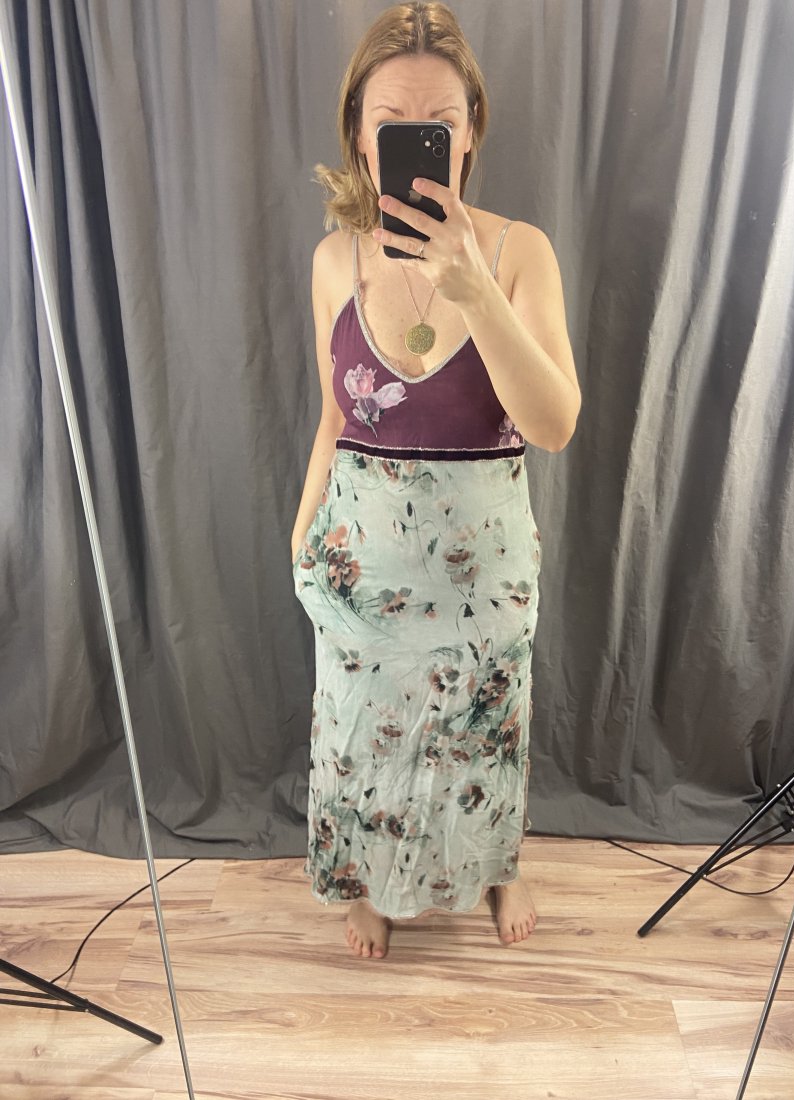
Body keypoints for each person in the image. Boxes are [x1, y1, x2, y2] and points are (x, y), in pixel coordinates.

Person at [292, 2, 579, 961]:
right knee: (361, 741)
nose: (417, 140)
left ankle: (495, 866)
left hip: (481, 577)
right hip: (360, 567)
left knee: (484, 734)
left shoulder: (517, 251)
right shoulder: (332, 261)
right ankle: (369, 882)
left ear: (467, 133)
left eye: (439, 123)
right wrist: (300, 539)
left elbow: (554, 424)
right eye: (392, 123)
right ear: (360, 136)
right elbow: (334, 416)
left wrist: (475, 291)